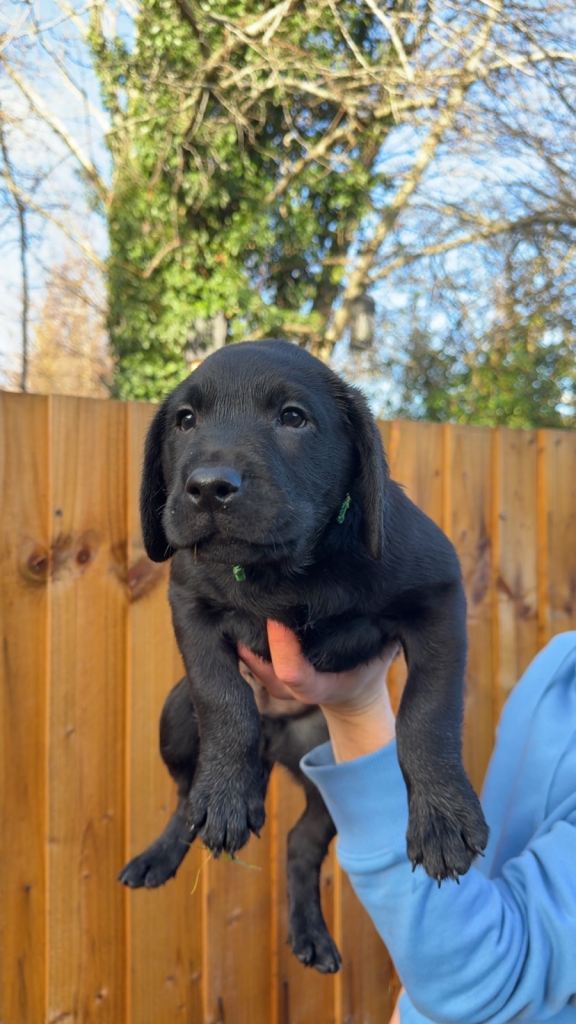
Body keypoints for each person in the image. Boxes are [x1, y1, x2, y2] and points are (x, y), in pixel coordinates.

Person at [239, 624, 576, 1024]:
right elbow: (500, 872)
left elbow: (483, 984)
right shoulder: (561, 667)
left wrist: (357, 707)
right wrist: (417, 1003)